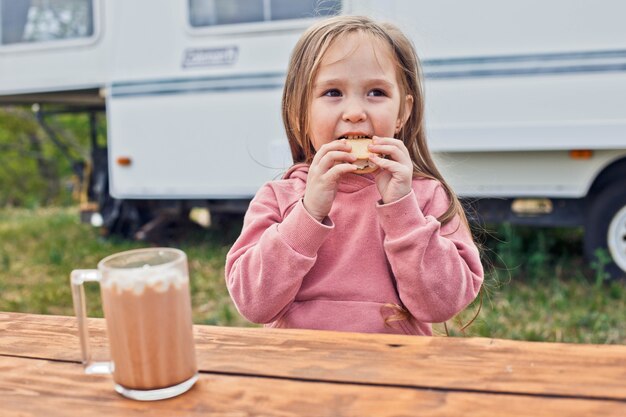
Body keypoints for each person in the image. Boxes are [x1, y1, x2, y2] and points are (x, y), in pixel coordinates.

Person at [225, 15, 484, 335]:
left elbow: (441, 305)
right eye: (333, 93)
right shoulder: (280, 198)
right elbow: (254, 303)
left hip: (393, 371)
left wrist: (403, 209)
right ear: (300, 114)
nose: (355, 112)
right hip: (299, 371)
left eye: (375, 92)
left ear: (402, 112)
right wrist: (308, 213)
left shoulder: (425, 196)